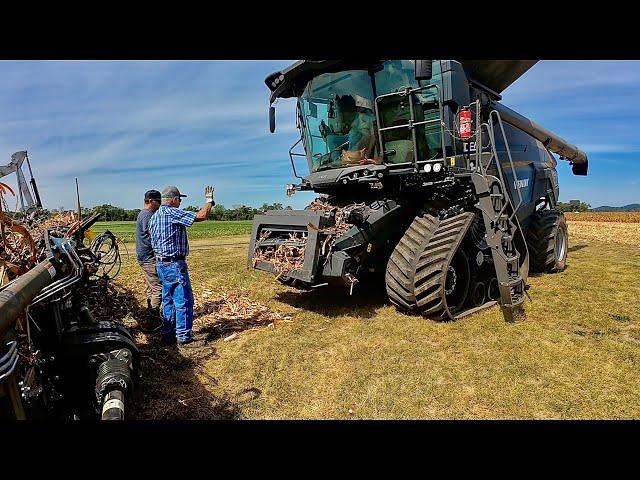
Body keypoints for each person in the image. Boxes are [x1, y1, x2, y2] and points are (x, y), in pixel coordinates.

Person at [148, 185, 214, 350]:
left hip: (161, 264)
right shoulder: (171, 213)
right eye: (180, 199)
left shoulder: (154, 217)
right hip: (173, 264)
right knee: (183, 300)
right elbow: (201, 215)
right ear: (174, 199)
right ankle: (184, 338)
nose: (180, 202)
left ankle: (168, 334)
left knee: (168, 300)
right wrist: (209, 201)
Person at [135, 189, 163, 331]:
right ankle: (152, 319)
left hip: (144, 256)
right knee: (158, 287)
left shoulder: (144, 214)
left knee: (151, 286)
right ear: (151, 201)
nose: (160, 204)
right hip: (148, 257)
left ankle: (150, 311)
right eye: (158, 201)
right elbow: (154, 235)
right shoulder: (148, 215)